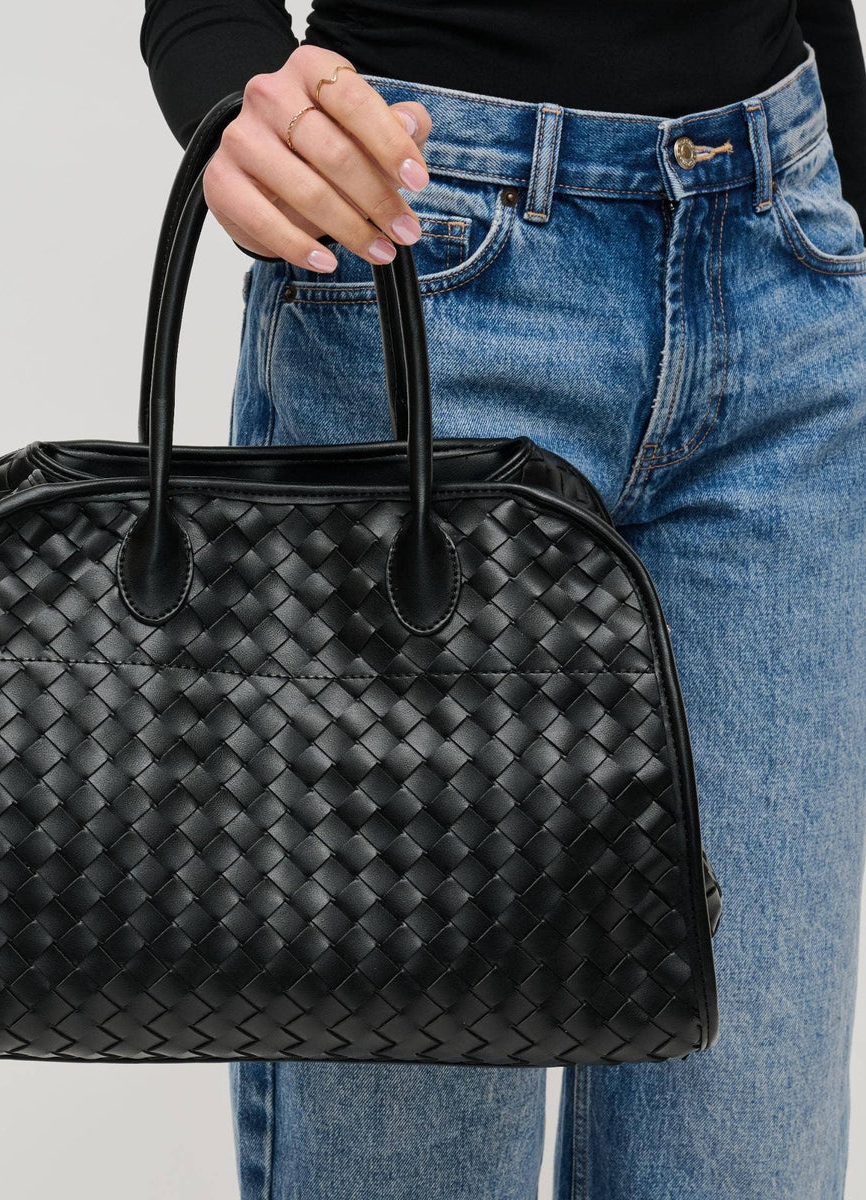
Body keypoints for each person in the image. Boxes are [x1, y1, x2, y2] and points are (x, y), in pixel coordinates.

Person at [140, 3, 866, 1197]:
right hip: (424, 259)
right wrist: (239, 89)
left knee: (747, 1155)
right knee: (407, 1157)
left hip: (786, 271)